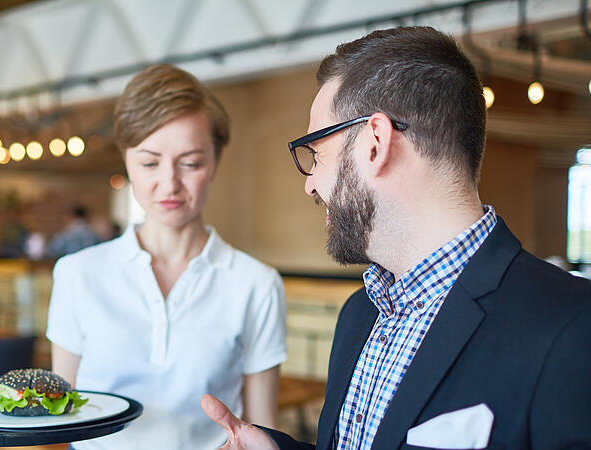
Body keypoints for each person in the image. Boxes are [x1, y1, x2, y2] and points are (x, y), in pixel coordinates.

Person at [201, 26, 591, 449]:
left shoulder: (573, 327)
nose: (310, 185)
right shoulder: (359, 314)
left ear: (375, 142)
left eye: (317, 154)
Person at [47, 64, 287, 449]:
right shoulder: (77, 274)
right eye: (149, 162)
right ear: (126, 160)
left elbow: (262, 431)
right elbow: (61, 422)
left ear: (215, 163)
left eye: (191, 163)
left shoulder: (256, 284)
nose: (169, 183)